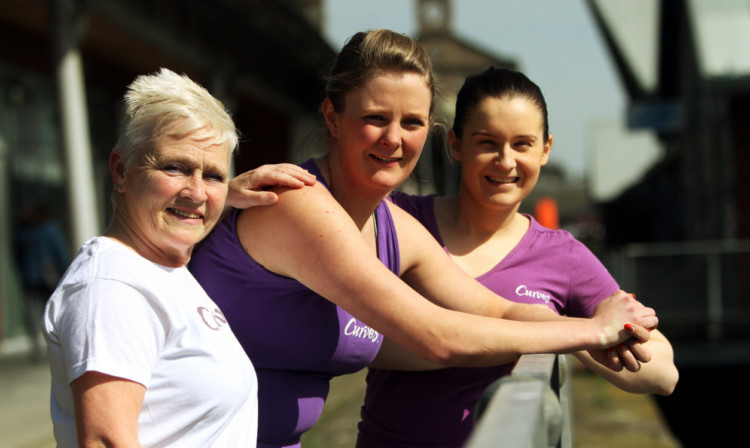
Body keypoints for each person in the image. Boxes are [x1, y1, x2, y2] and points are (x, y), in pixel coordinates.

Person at [189, 29, 657, 448]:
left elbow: (499, 308)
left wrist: (598, 325)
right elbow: (436, 337)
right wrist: (591, 331)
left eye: (412, 122)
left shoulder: (393, 227)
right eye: (375, 117)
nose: (394, 138)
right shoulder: (298, 202)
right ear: (332, 118)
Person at [356, 67, 680, 448]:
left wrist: (567, 335)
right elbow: (354, 338)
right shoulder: (395, 219)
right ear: (456, 145)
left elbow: (662, 373)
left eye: (522, 144)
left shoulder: (564, 255)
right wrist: (537, 332)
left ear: (545, 150)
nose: (505, 161)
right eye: (487, 142)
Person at [41, 67, 315, 448]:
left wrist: (225, 195)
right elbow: (105, 440)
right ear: (122, 171)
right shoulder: (112, 287)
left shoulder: (161, 265)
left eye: (213, 176)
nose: (197, 192)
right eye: (174, 167)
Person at [13, 201, 70, 361]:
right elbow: (60, 251)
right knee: (52, 311)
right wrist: (67, 271)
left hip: (28, 276)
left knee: (32, 312)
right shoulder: (49, 227)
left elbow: (16, 254)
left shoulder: (22, 230)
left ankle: (36, 345)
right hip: (48, 277)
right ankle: (53, 343)